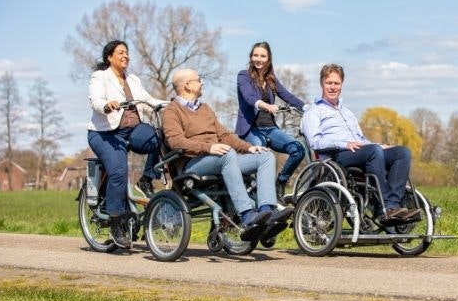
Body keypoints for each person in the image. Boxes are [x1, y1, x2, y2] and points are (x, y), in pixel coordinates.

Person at [162, 68, 293, 241]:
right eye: (199, 79)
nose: (202, 83)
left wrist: (249, 148)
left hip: (220, 159)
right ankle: (246, 215)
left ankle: (267, 211)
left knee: (266, 157)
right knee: (227, 154)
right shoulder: (172, 111)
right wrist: (208, 148)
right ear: (187, 85)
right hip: (192, 164)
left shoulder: (205, 109)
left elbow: (224, 136)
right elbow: (176, 142)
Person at [301, 63, 420, 225]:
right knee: (373, 152)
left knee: (402, 153)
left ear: (341, 84)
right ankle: (382, 207)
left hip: (360, 151)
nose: (333, 87)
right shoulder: (314, 111)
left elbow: (361, 139)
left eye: (337, 83)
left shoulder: (347, 112)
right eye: (329, 83)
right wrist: (344, 143)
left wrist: (379, 145)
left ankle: (394, 205)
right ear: (322, 83)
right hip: (336, 156)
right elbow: (315, 141)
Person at [87, 40, 166, 248]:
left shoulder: (133, 79)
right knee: (119, 172)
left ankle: (147, 179)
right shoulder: (100, 77)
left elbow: (148, 101)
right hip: (106, 134)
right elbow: (95, 100)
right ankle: (115, 220)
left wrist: (170, 105)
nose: (125, 56)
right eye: (121, 52)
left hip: (133, 131)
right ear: (109, 57)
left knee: (161, 138)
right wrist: (106, 105)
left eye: (127, 53)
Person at [235, 41, 307, 202]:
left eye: (262, 56)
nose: (258, 59)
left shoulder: (271, 79)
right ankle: (262, 199)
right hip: (251, 129)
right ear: (251, 57)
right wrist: (265, 105)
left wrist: (308, 108)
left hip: (270, 128)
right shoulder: (243, 76)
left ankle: (280, 182)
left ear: (268, 59)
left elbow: (287, 95)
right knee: (262, 155)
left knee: (298, 149)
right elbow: (249, 97)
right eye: (255, 55)